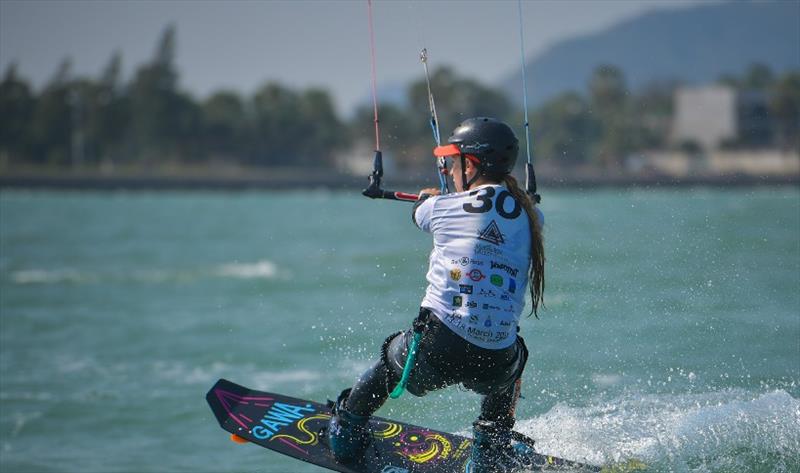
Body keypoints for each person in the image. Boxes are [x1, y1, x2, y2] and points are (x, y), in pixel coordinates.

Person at [328, 117, 545, 472]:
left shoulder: (442, 208)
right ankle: (489, 450)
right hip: (495, 362)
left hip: (438, 349)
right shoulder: (531, 214)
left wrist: (432, 198)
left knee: (391, 361)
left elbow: (421, 212)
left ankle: (346, 429)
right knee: (513, 357)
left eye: (453, 162)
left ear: (471, 166)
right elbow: (500, 211)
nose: (447, 168)